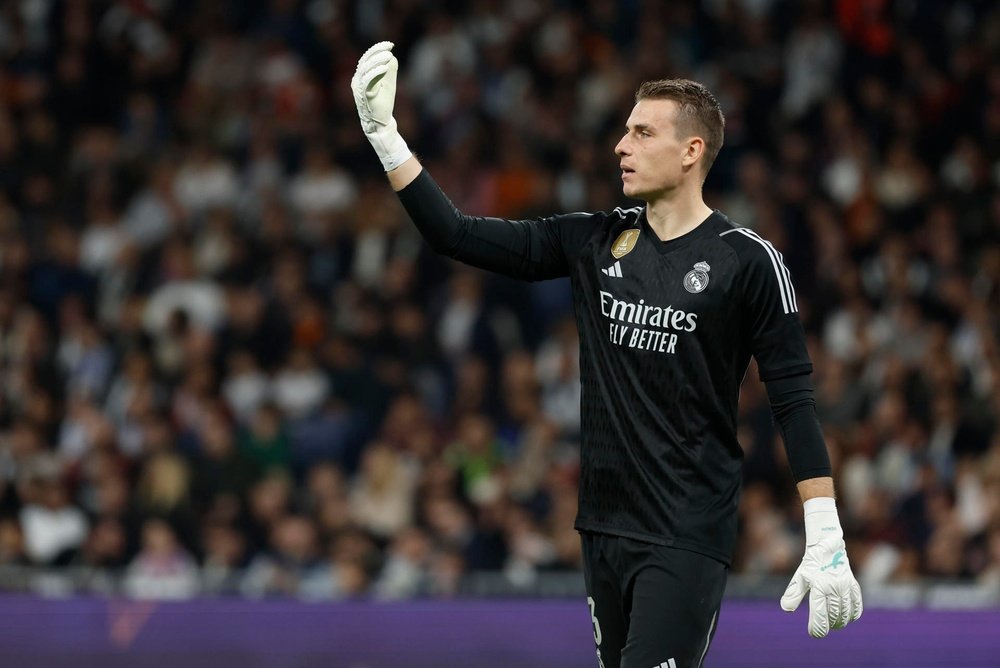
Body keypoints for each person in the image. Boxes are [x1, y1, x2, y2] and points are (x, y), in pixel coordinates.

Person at [351, 42, 862, 667]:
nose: (621, 146)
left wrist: (825, 529)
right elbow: (454, 233)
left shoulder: (747, 260)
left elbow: (794, 400)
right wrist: (385, 136)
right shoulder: (596, 239)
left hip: (684, 533)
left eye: (642, 133)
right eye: (624, 131)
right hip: (602, 526)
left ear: (691, 151)